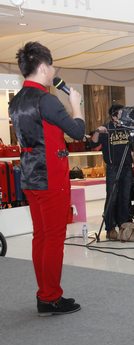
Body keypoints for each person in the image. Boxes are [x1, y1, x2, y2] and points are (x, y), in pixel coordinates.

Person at [9, 42, 84, 316]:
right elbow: (77, 131)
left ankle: (45, 293)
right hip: (51, 175)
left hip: (30, 175)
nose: (54, 70)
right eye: (52, 66)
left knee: (40, 237)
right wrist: (76, 106)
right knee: (53, 238)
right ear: (43, 67)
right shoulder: (47, 100)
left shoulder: (16, 101)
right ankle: (50, 297)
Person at [91, 104, 133, 240]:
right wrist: (97, 131)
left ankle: (123, 225)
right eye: (121, 114)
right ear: (114, 116)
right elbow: (92, 143)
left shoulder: (127, 128)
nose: (123, 116)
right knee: (112, 197)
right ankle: (110, 227)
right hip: (113, 167)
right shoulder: (106, 129)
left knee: (125, 197)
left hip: (127, 167)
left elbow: (133, 144)